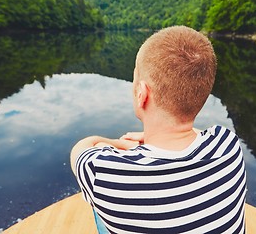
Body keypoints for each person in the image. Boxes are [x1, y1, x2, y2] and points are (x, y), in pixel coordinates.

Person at [70, 26, 246, 234]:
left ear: (141, 94)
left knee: (99, 206)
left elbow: (83, 147)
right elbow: (197, 134)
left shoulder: (105, 173)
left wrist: (120, 145)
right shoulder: (229, 145)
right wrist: (147, 139)